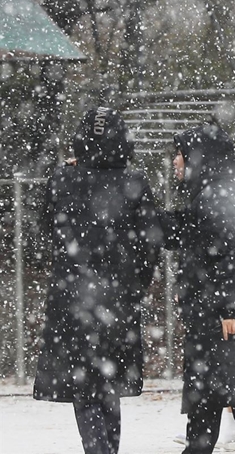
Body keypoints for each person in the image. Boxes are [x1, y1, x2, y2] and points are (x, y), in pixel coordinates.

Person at [33, 107, 163, 454]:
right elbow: (151, 243)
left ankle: (98, 449)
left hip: (72, 299)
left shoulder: (63, 179)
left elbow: (46, 227)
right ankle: (106, 448)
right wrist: (137, 284)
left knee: (85, 384)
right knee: (107, 382)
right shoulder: (134, 182)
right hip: (118, 300)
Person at [166, 124, 235, 454]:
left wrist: (231, 308)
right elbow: (187, 237)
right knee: (219, 406)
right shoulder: (216, 191)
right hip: (217, 319)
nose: (176, 161)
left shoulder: (218, 196)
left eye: (181, 154)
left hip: (225, 324)